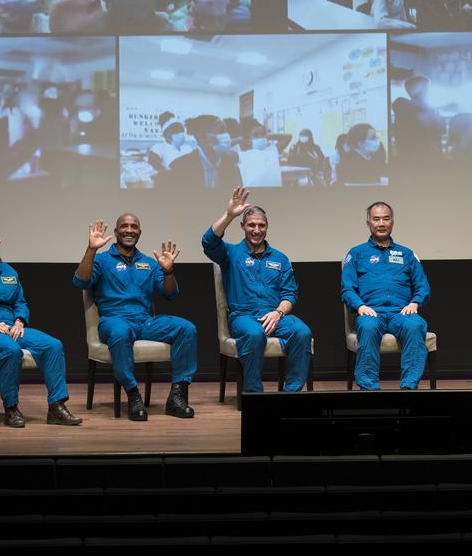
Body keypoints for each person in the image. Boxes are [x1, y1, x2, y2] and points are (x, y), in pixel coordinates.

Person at [0, 221, 82, 428]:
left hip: (10, 328)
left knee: (53, 345)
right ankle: (11, 408)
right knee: (11, 349)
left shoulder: (8, 271)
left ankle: (57, 407)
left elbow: (20, 302)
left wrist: (20, 321)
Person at [72, 215, 197, 421]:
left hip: (145, 322)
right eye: (124, 226)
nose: (129, 230)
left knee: (186, 328)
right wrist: (91, 249)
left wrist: (168, 271)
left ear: (139, 232)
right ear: (116, 231)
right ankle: (133, 395)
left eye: (134, 227)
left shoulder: (148, 262)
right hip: (114, 320)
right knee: (120, 332)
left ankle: (176, 396)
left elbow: (170, 294)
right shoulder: (102, 260)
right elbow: (80, 281)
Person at [203, 187, 312, 394]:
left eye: (261, 225)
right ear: (243, 226)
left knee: (302, 332)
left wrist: (278, 312)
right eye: (251, 225)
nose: (256, 230)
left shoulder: (279, 258)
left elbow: (290, 294)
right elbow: (208, 242)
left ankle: (293, 393)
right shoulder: (231, 253)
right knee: (254, 334)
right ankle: (254, 395)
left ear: (267, 227)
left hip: (275, 315)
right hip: (244, 317)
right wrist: (228, 215)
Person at [341, 202, 431, 390]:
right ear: (368, 224)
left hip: (401, 313)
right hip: (371, 312)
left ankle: (409, 387)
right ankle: (369, 388)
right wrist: (360, 307)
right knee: (367, 326)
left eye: (386, 218)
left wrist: (415, 303)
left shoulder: (406, 254)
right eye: (376, 219)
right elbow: (347, 289)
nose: (381, 223)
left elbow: (423, 286)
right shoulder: (356, 253)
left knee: (416, 324)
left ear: (392, 222)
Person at [156, 114, 242, 191]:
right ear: (204, 136)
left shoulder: (231, 165)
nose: (227, 136)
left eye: (226, 131)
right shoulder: (179, 167)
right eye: (221, 131)